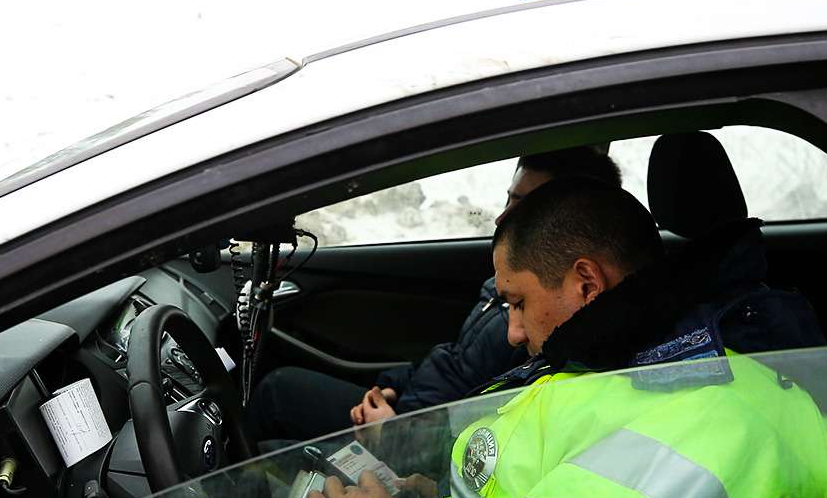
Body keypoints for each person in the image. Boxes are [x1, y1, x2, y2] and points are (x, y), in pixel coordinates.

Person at [306, 177, 827, 498]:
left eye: (518, 303)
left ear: (587, 284)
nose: (515, 333)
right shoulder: (629, 360)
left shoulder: (716, 426)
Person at [246, 148, 621, 445]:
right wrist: (392, 387)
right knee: (279, 389)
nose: (501, 218)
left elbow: (492, 432)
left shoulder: (554, 323)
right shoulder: (510, 283)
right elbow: (452, 359)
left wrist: (399, 438)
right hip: (408, 414)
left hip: (419, 442)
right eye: (509, 199)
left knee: (267, 451)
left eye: (523, 206)